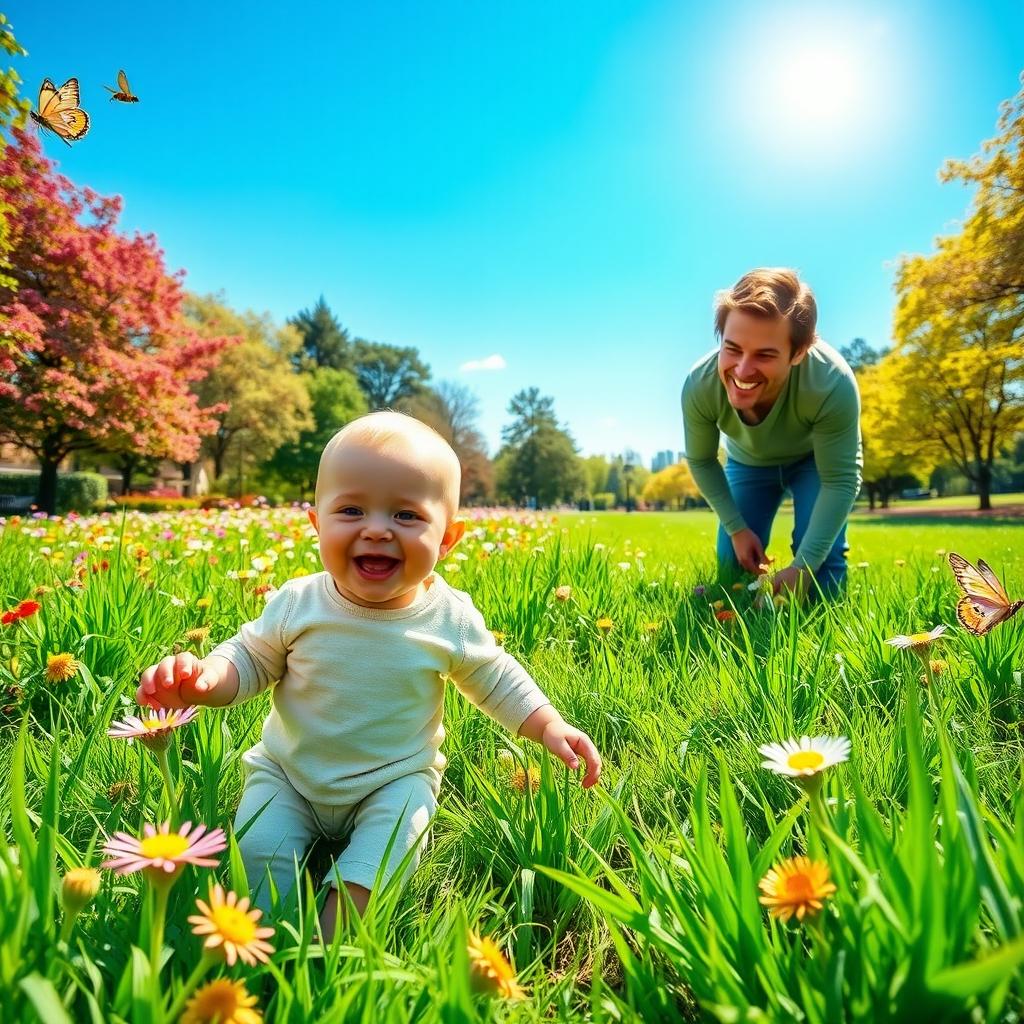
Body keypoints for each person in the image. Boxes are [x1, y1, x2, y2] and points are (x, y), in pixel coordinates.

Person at [136, 411, 602, 935]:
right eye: (352, 509)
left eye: (406, 515)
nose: (376, 529)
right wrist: (204, 679)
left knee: (389, 851)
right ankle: (270, 939)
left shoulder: (449, 617)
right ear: (317, 525)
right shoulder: (298, 603)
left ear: (448, 539)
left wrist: (547, 724)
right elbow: (250, 660)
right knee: (258, 858)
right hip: (288, 774)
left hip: (395, 779)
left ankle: (333, 937)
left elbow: (494, 678)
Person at [681, 268, 862, 597]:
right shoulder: (700, 384)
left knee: (823, 570)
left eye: (764, 355)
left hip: (815, 464)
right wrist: (736, 529)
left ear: (798, 353)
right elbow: (702, 460)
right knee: (733, 567)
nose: (742, 370)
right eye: (732, 348)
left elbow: (841, 480)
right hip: (748, 464)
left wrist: (803, 566)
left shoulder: (831, 381)